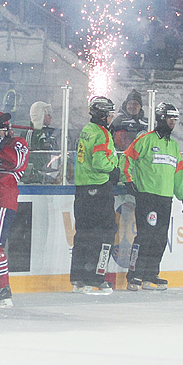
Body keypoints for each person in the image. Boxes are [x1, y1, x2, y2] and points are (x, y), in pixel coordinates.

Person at [123, 102, 183, 291]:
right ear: (161, 118)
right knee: (145, 236)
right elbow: (127, 157)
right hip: (147, 197)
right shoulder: (146, 140)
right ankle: (134, 275)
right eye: (170, 118)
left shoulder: (174, 146)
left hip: (165, 199)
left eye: (175, 119)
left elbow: (178, 174)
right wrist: (128, 180)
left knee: (160, 238)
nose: (173, 123)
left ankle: (150, 274)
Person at [70, 96, 120, 294]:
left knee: (83, 233)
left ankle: (78, 278)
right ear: (103, 115)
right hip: (99, 188)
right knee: (105, 233)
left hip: (82, 188)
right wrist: (114, 168)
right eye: (110, 114)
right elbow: (100, 162)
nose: (111, 117)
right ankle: (96, 278)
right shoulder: (102, 134)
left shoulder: (87, 130)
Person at [0, 112, 29, 307]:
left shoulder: (18, 143)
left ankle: (3, 289)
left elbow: (16, 162)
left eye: (0, 129)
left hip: (4, 200)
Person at [23, 101, 57, 184]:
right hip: (35, 181)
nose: (51, 117)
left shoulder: (49, 133)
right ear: (40, 115)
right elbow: (30, 158)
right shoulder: (30, 134)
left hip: (50, 176)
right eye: (48, 115)